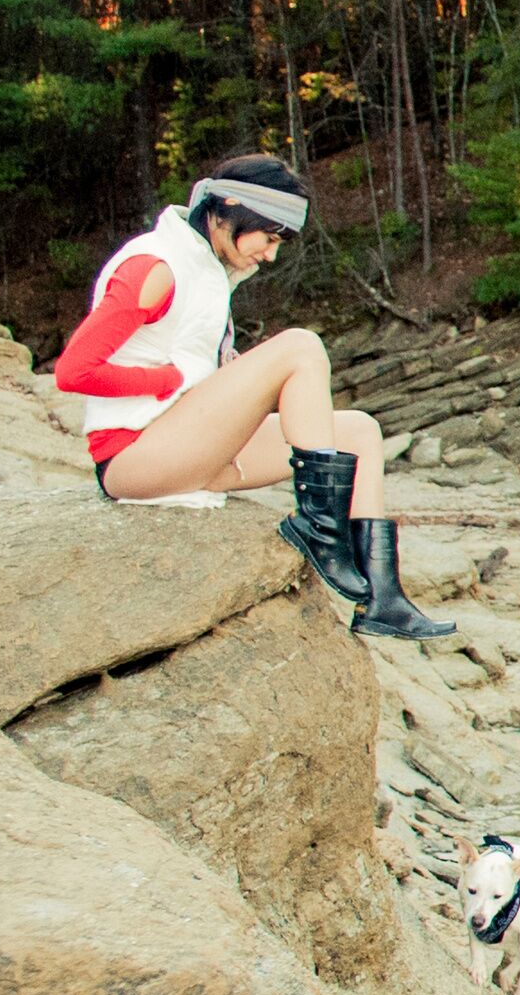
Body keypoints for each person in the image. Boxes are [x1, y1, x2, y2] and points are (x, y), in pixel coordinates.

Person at [50, 154, 452, 641]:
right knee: (301, 345)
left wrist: (217, 377)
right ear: (230, 209)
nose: (271, 255)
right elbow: (74, 370)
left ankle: (383, 599)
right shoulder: (154, 265)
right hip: (133, 457)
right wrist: (168, 381)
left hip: (186, 447)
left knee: (360, 432)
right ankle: (319, 531)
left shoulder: (206, 268)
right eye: (270, 238)